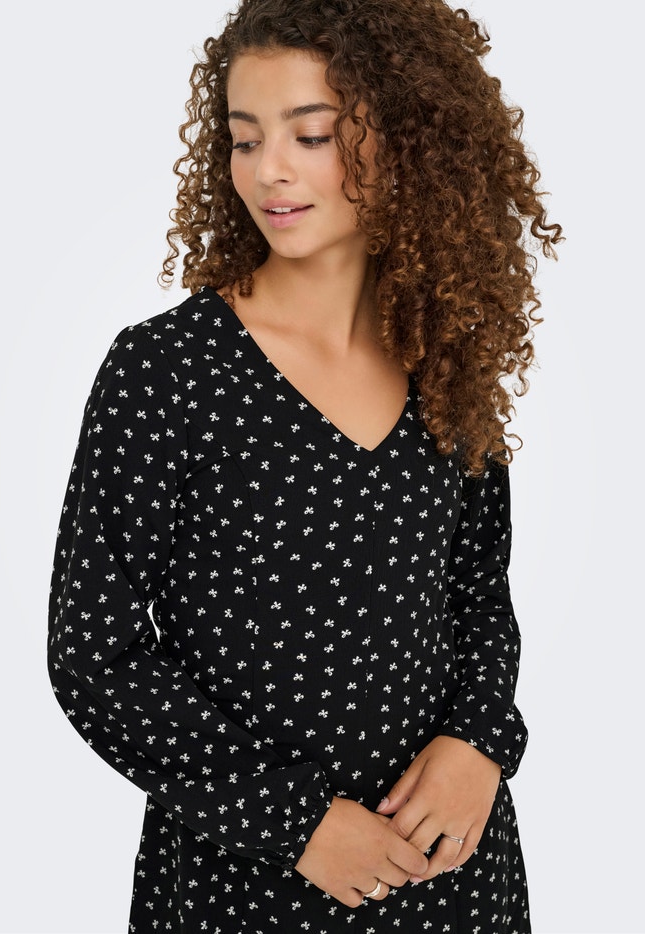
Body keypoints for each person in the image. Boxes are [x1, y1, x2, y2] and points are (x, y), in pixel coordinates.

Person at [47, 0, 562, 931]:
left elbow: (478, 589)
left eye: (311, 135)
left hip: (453, 880)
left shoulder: (440, 357)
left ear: (404, 141)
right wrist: (296, 823)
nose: (269, 170)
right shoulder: (165, 373)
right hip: (243, 886)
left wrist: (479, 741)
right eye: (245, 139)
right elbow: (95, 656)